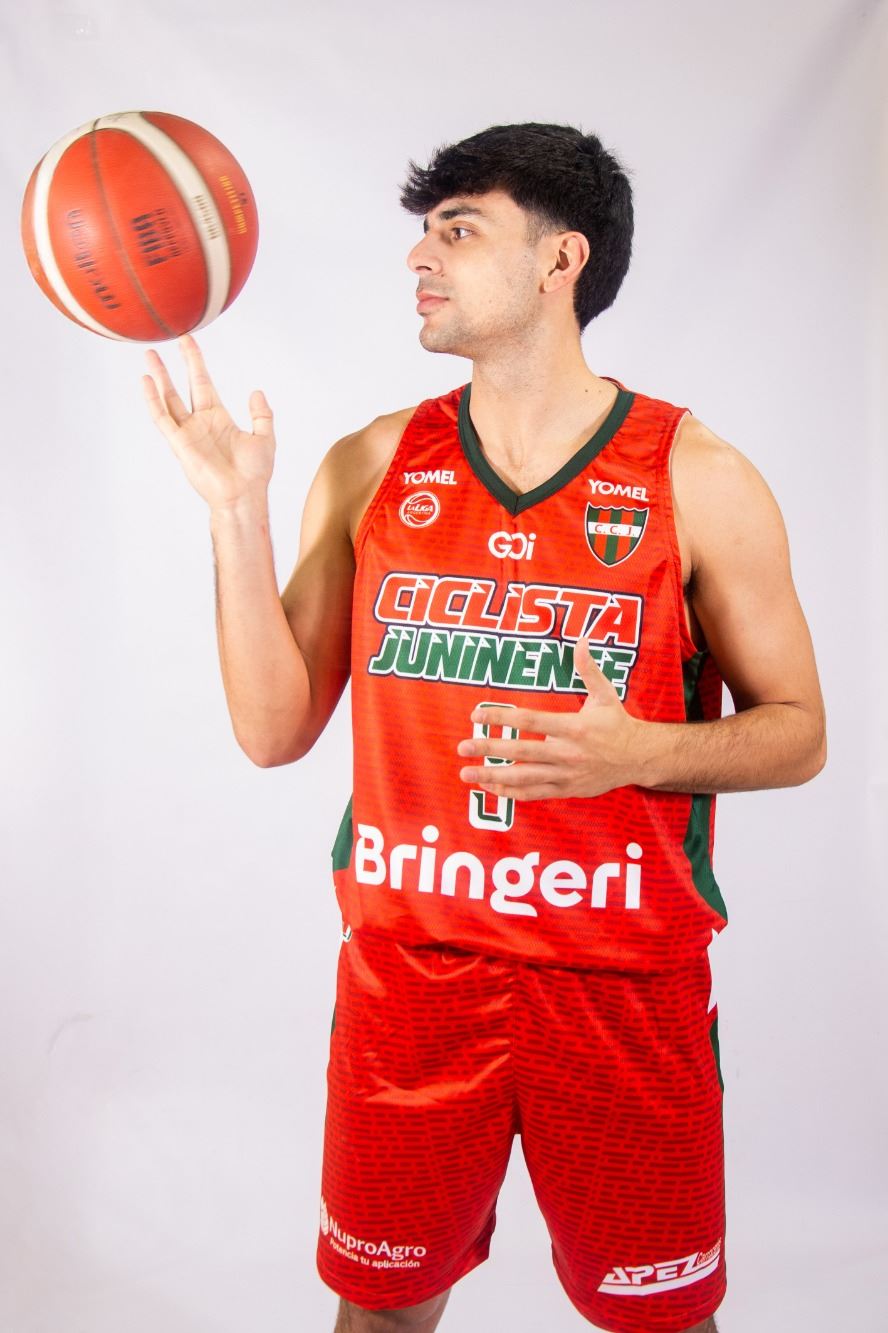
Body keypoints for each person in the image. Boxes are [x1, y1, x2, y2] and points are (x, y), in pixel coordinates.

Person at [142, 122, 826, 1333]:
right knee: (383, 1312)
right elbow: (271, 728)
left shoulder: (696, 476)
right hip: (410, 983)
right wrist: (236, 512)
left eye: (458, 231)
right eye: (423, 231)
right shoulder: (371, 464)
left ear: (562, 260)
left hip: (620, 988)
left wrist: (646, 752)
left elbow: (800, 731)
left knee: (663, 1322)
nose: (421, 257)